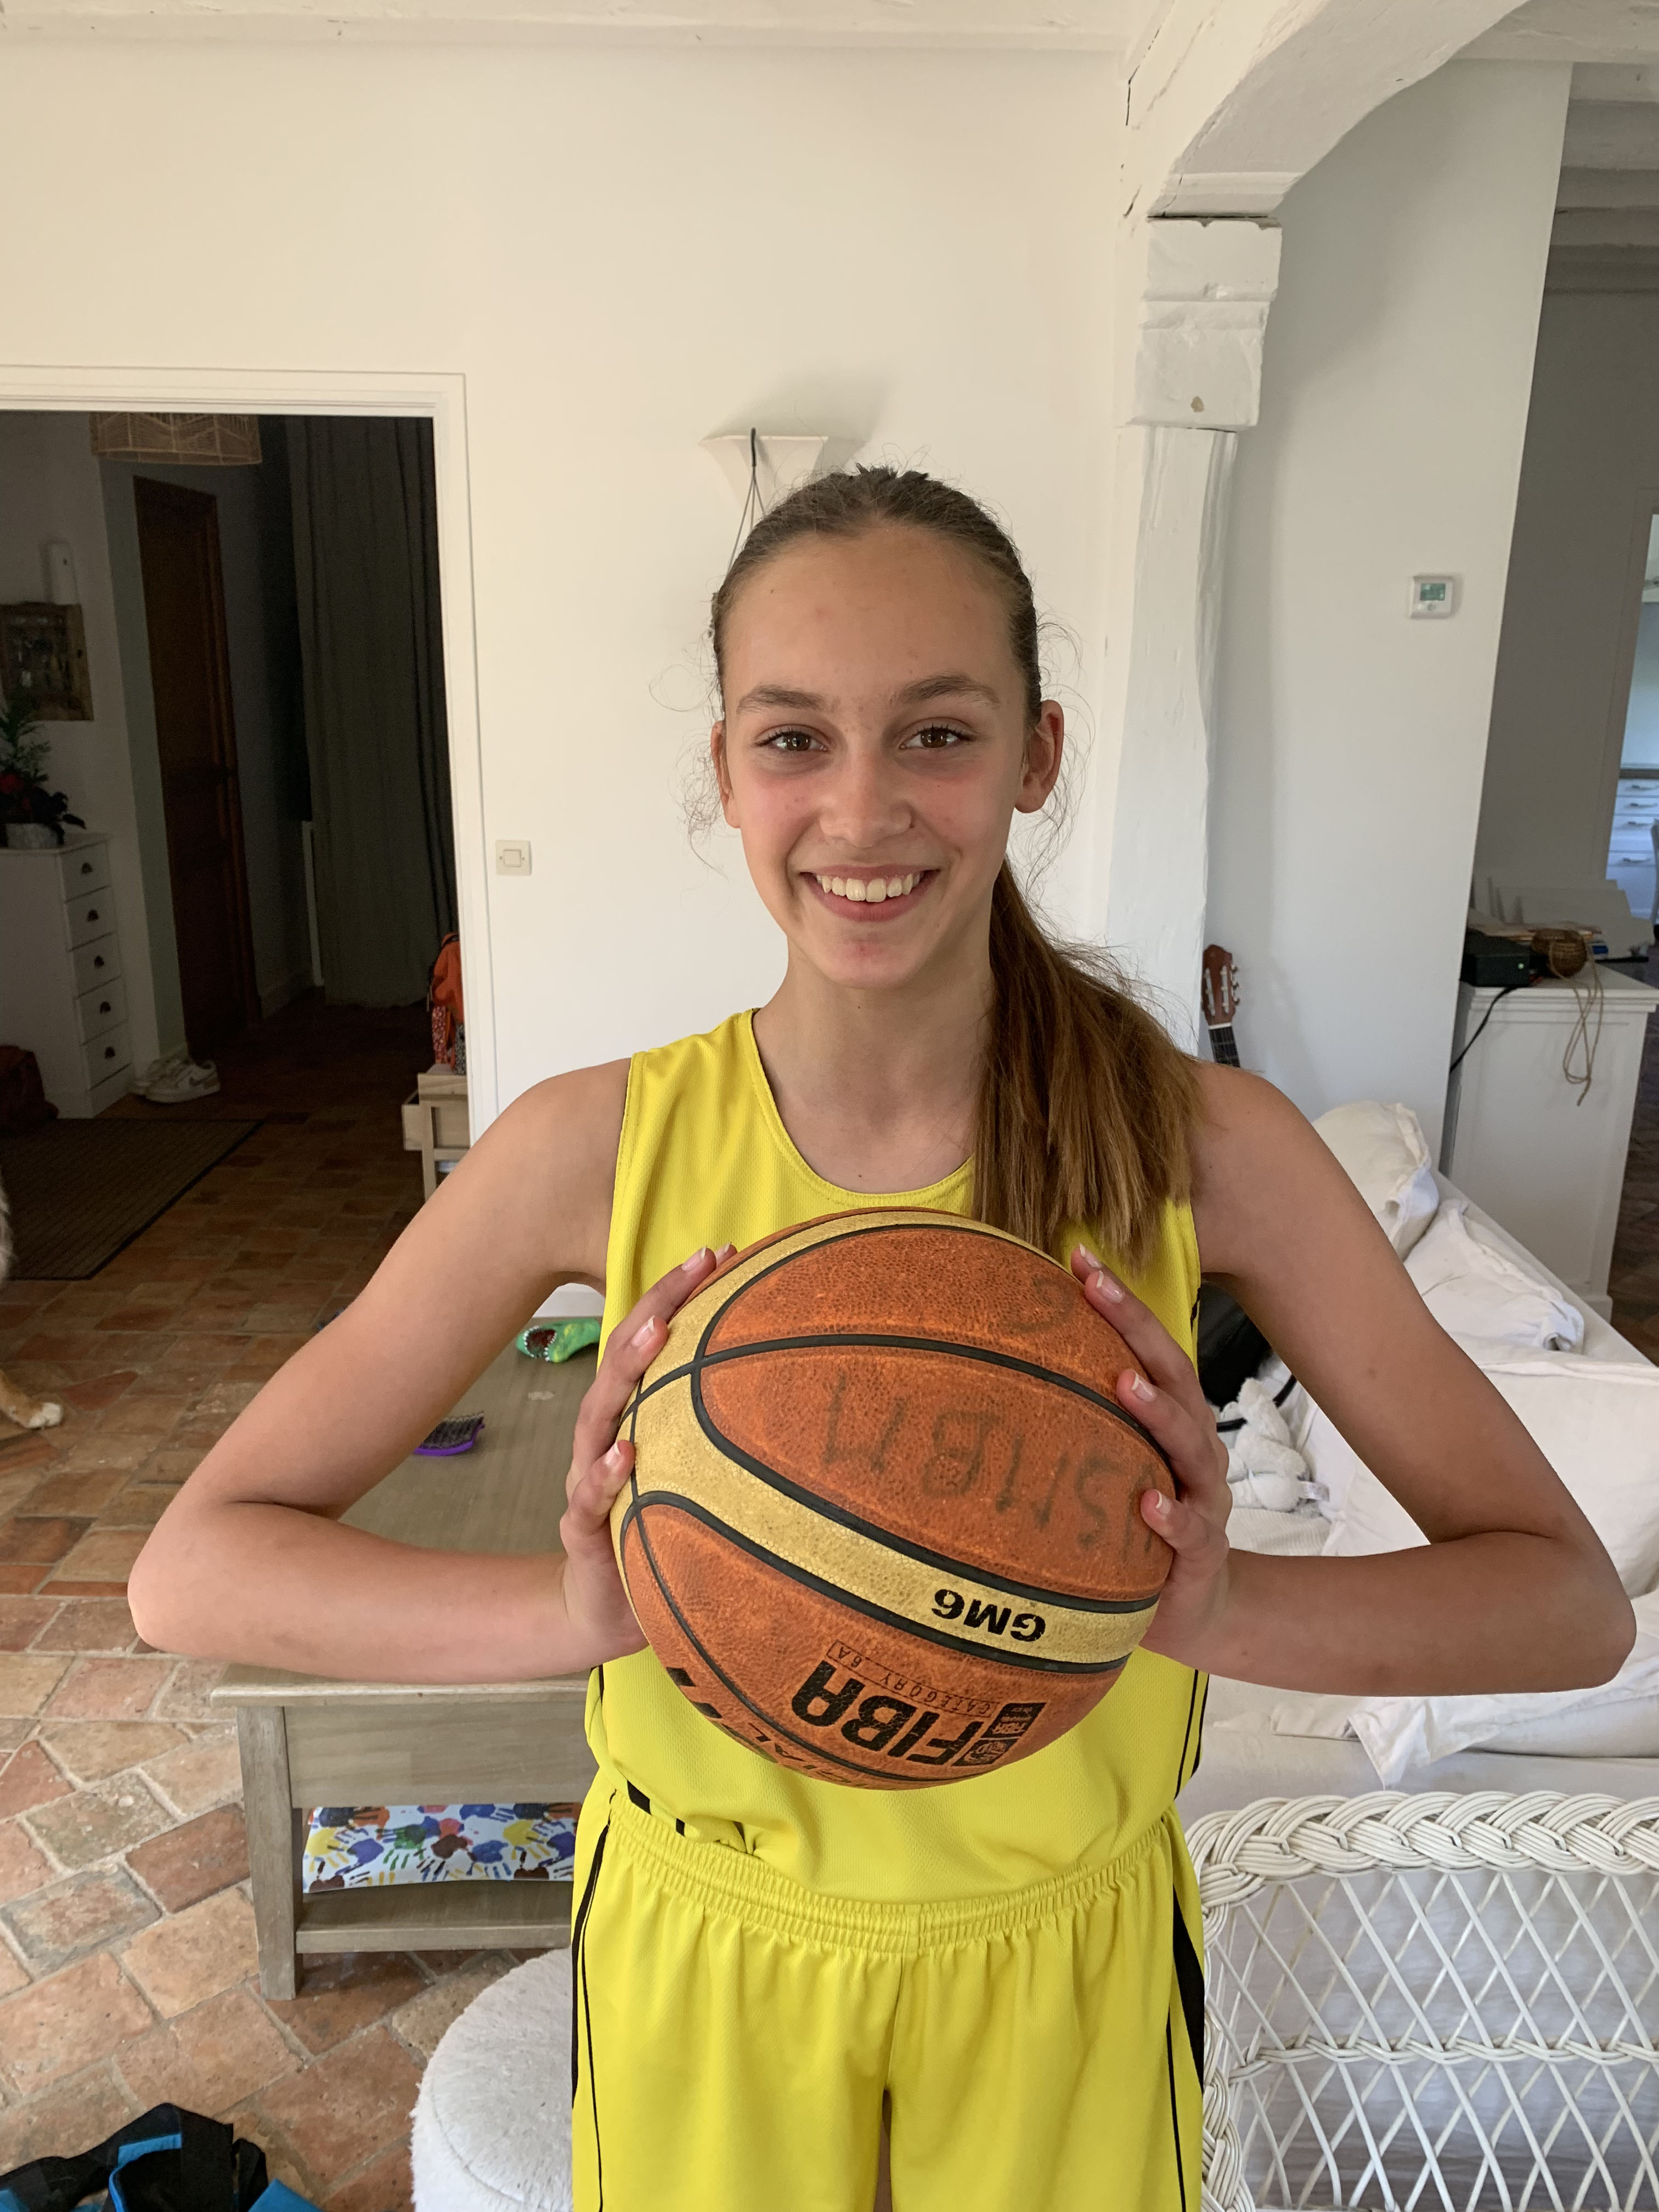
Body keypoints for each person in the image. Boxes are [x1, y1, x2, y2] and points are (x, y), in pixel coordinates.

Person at [129, 467, 1633, 2212]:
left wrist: (1216, 1611)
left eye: (937, 733)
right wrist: (584, 1612)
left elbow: (1567, 1605)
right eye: (794, 739)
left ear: (1036, 755)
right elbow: (192, 1573)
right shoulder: (590, 1147)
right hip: (708, 1966)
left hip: (1064, 1970)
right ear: (725, 769)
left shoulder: (1208, 1145)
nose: (863, 810)